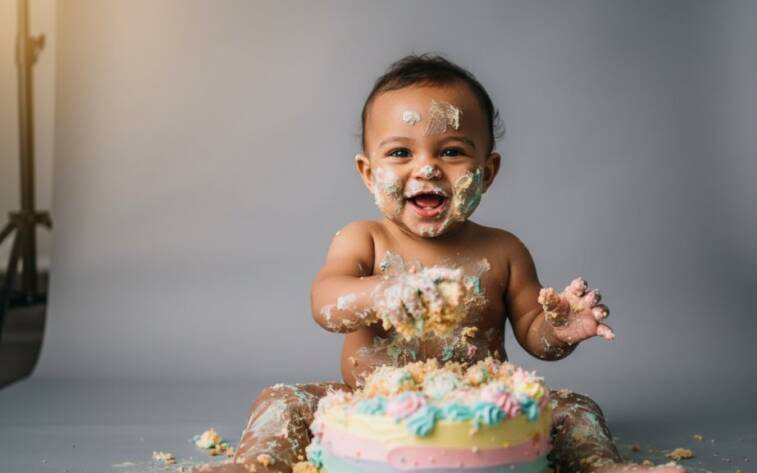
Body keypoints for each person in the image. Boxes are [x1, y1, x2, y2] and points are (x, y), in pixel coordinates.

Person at [207, 54, 685, 473]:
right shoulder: (364, 239)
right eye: (400, 153)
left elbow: (533, 336)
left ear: (488, 171)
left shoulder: (504, 251)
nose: (428, 168)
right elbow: (325, 303)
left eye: (452, 152)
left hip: (480, 408)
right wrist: (383, 293)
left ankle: (600, 467)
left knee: (576, 408)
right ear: (368, 173)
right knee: (281, 400)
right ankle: (253, 465)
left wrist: (560, 330)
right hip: (370, 403)